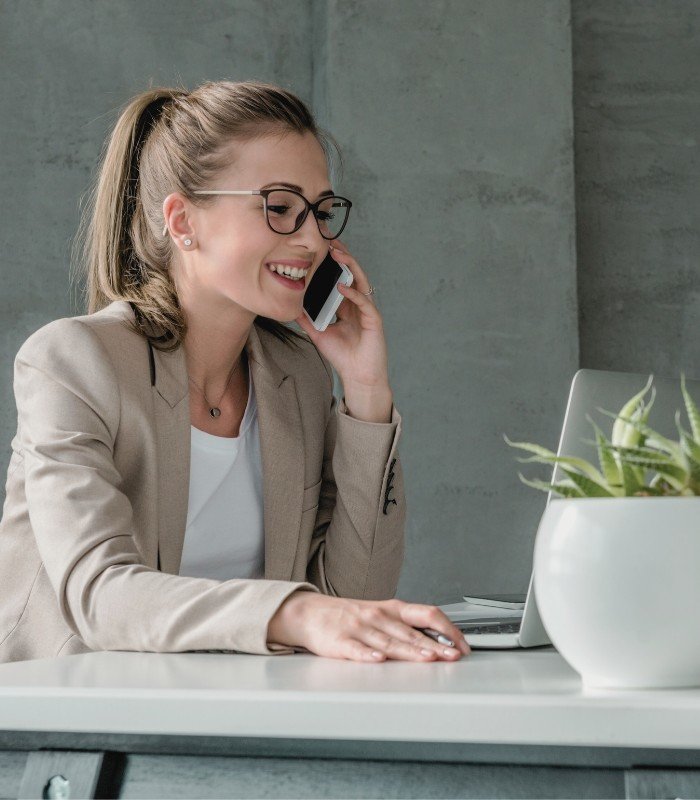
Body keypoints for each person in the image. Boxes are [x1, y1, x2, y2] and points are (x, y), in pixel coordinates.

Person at [0, 80, 470, 665]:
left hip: (241, 716)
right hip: (72, 725)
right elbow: (99, 596)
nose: (311, 239)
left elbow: (355, 599)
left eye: (321, 212)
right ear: (182, 220)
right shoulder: (73, 362)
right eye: (279, 208)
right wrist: (292, 612)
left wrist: (366, 392)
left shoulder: (294, 373)